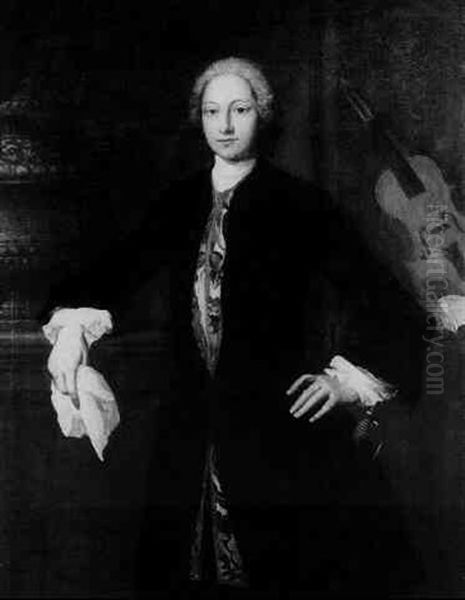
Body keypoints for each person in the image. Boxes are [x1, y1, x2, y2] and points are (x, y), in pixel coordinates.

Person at [42, 57, 425, 595]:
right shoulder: (179, 203)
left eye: (239, 110)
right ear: (199, 119)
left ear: (261, 116)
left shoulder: (299, 204)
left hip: (277, 426)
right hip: (190, 428)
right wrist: (71, 330)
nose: (224, 125)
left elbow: (383, 299)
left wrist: (344, 382)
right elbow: (118, 270)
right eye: (212, 111)